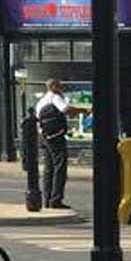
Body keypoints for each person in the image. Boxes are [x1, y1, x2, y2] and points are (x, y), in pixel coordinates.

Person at [35, 79, 84, 210]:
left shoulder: (41, 101)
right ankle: (56, 199)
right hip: (56, 137)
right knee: (60, 167)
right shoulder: (55, 97)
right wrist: (83, 110)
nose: (61, 87)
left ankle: (47, 199)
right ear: (53, 86)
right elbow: (65, 109)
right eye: (58, 85)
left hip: (43, 136)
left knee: (48, 168)